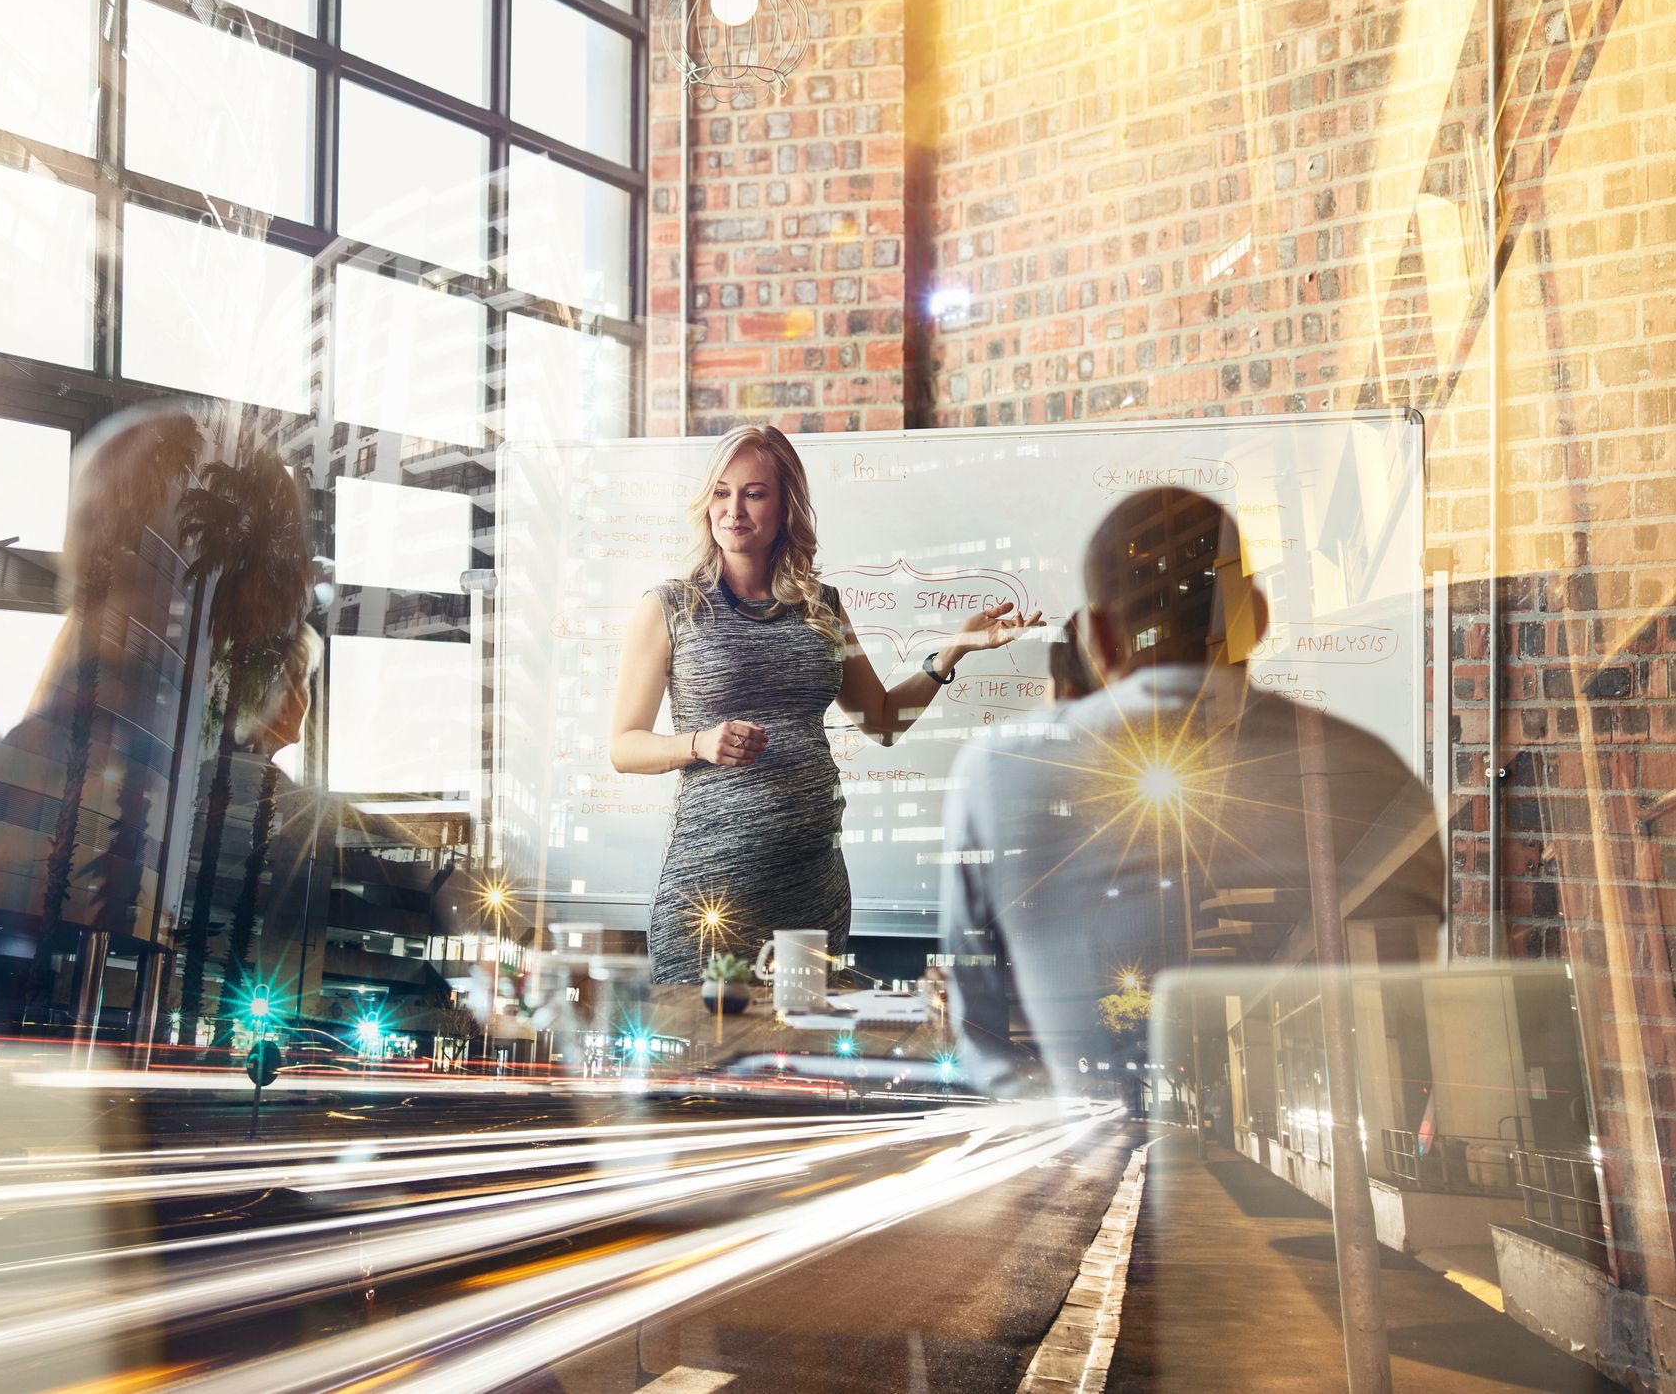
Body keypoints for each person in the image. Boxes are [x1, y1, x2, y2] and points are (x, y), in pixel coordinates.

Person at [937, 487, 1445, 1093]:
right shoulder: (1372, 772)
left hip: (1074, 1147)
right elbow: (1410, 1036)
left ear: (1096, 637)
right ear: (1256, 616)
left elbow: (980, 1037)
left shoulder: (994, 769)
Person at [610, 424, 1041, 984]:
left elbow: (883, 722)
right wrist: (698, 744)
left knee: (806, 1060)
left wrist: (954, 649)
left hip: (813, 892)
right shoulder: (670, 607)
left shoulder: (823, 608)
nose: (733, 509)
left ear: (785, 506)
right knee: (707, 1062)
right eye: (721, 492)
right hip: (709, 897)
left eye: (754, 493)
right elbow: (624, 747)